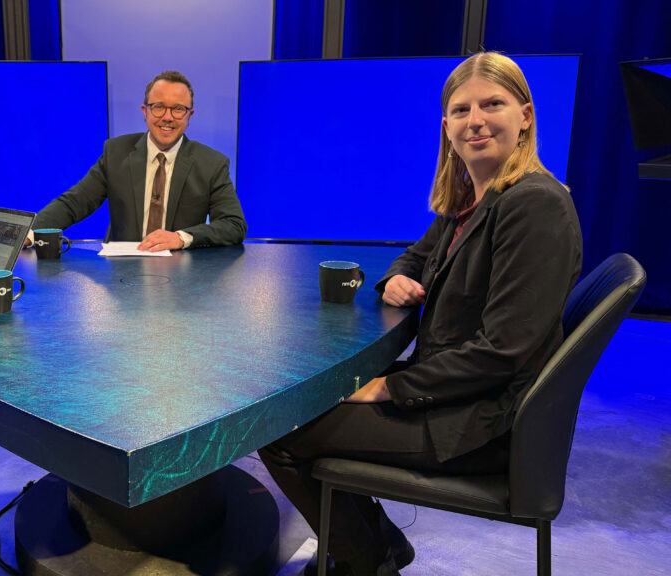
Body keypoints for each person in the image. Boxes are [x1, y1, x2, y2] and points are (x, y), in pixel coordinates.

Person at [259, 52, 583, 576]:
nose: (475, 119)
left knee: (280, 430)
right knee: (302, 402)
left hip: (483, 420)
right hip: (461, 394)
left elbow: (503, 352)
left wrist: (388, 389)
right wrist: (396, 280)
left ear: (525, 115)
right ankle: (381, 547)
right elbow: (415, 256)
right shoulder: (472, 200)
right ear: (446, 126)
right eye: (461, 110)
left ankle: (366, 563)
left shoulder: (535, 205)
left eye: (492, 104)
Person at [31, 70, 247, 251]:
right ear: (145, 111)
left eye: (178, 109)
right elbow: (74, 203)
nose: (168, 117)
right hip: (120, 276)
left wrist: (181, 238)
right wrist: (30, 233)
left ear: (190, 115)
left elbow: (234, 225)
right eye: (159, 106)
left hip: (182, 277)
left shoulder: (211, 164)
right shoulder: (116, 152)